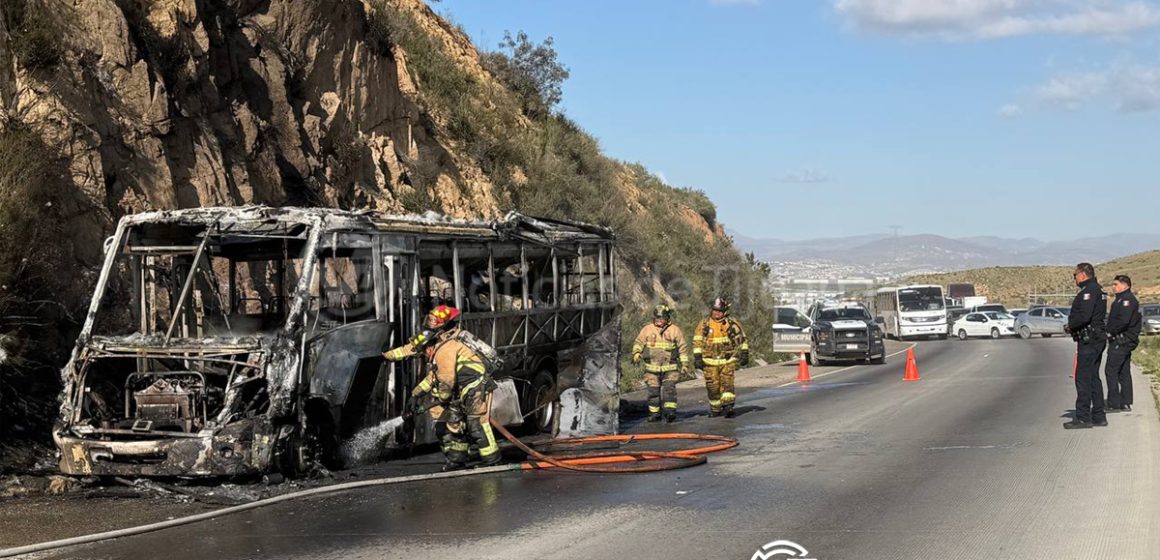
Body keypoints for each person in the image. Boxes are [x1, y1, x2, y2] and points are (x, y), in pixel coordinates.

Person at [383, 305, 500, 471]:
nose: (423, 355)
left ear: (430, 346)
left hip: (474, 386)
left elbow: (445, 382)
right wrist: (415, 394)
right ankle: (457, 460)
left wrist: (437, 400)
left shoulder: (444, 351)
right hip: (461, 387)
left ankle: (492, 459)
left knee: (476, 424)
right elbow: (433, 377)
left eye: (424, 352)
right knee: (455, 424)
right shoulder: (437, 345)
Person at [1063, 263, 1108, 429]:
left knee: (1082, 378)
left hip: (1090, 340)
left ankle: (1083, 417)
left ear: (1082, 274)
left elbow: (1084, 316)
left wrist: (1070, 326)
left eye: (1075, 275)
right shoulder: (1099, 289)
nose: (1074, 278)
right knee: (1093, 377)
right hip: (1096, 338)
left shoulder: (1089, 291)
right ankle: (1098, 416)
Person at [631, 305, 690, 423]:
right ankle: (654, 414)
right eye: (657, 318)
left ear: (667, 318)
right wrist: (636, 353)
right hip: (652, 369)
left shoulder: (674, 330)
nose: (659, 320)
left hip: (670, 368)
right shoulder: (647, 329)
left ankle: (670, 413)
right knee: (653, 392)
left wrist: (684, 365)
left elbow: (682, 348)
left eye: (661, 318)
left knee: (669, 390)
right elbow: (638, 342)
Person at [692, 297, 749, 418]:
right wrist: (697, 357)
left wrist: (744, 353)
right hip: (709, 362)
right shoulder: (704, 324)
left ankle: (728, 406)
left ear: (725, 312)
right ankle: (715, 409)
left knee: (727, 383)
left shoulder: (732, 324)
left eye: (719, 311)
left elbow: (742, 339)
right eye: (714, 310)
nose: (716, 313)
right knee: (713, 387)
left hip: (727, 360)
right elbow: (697, 341)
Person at [1105, 275, 1142, 413]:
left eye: (1116, 284)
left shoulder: (1127, 300)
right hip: (1123, 340)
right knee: (1123, 371)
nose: (1113, 287)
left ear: (1125, 285)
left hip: (1122, 340)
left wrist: (1110, 332)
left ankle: (1114, 403)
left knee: (1111, 370)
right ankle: (1125, 402)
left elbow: (1123, 321)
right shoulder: (1120, 300)